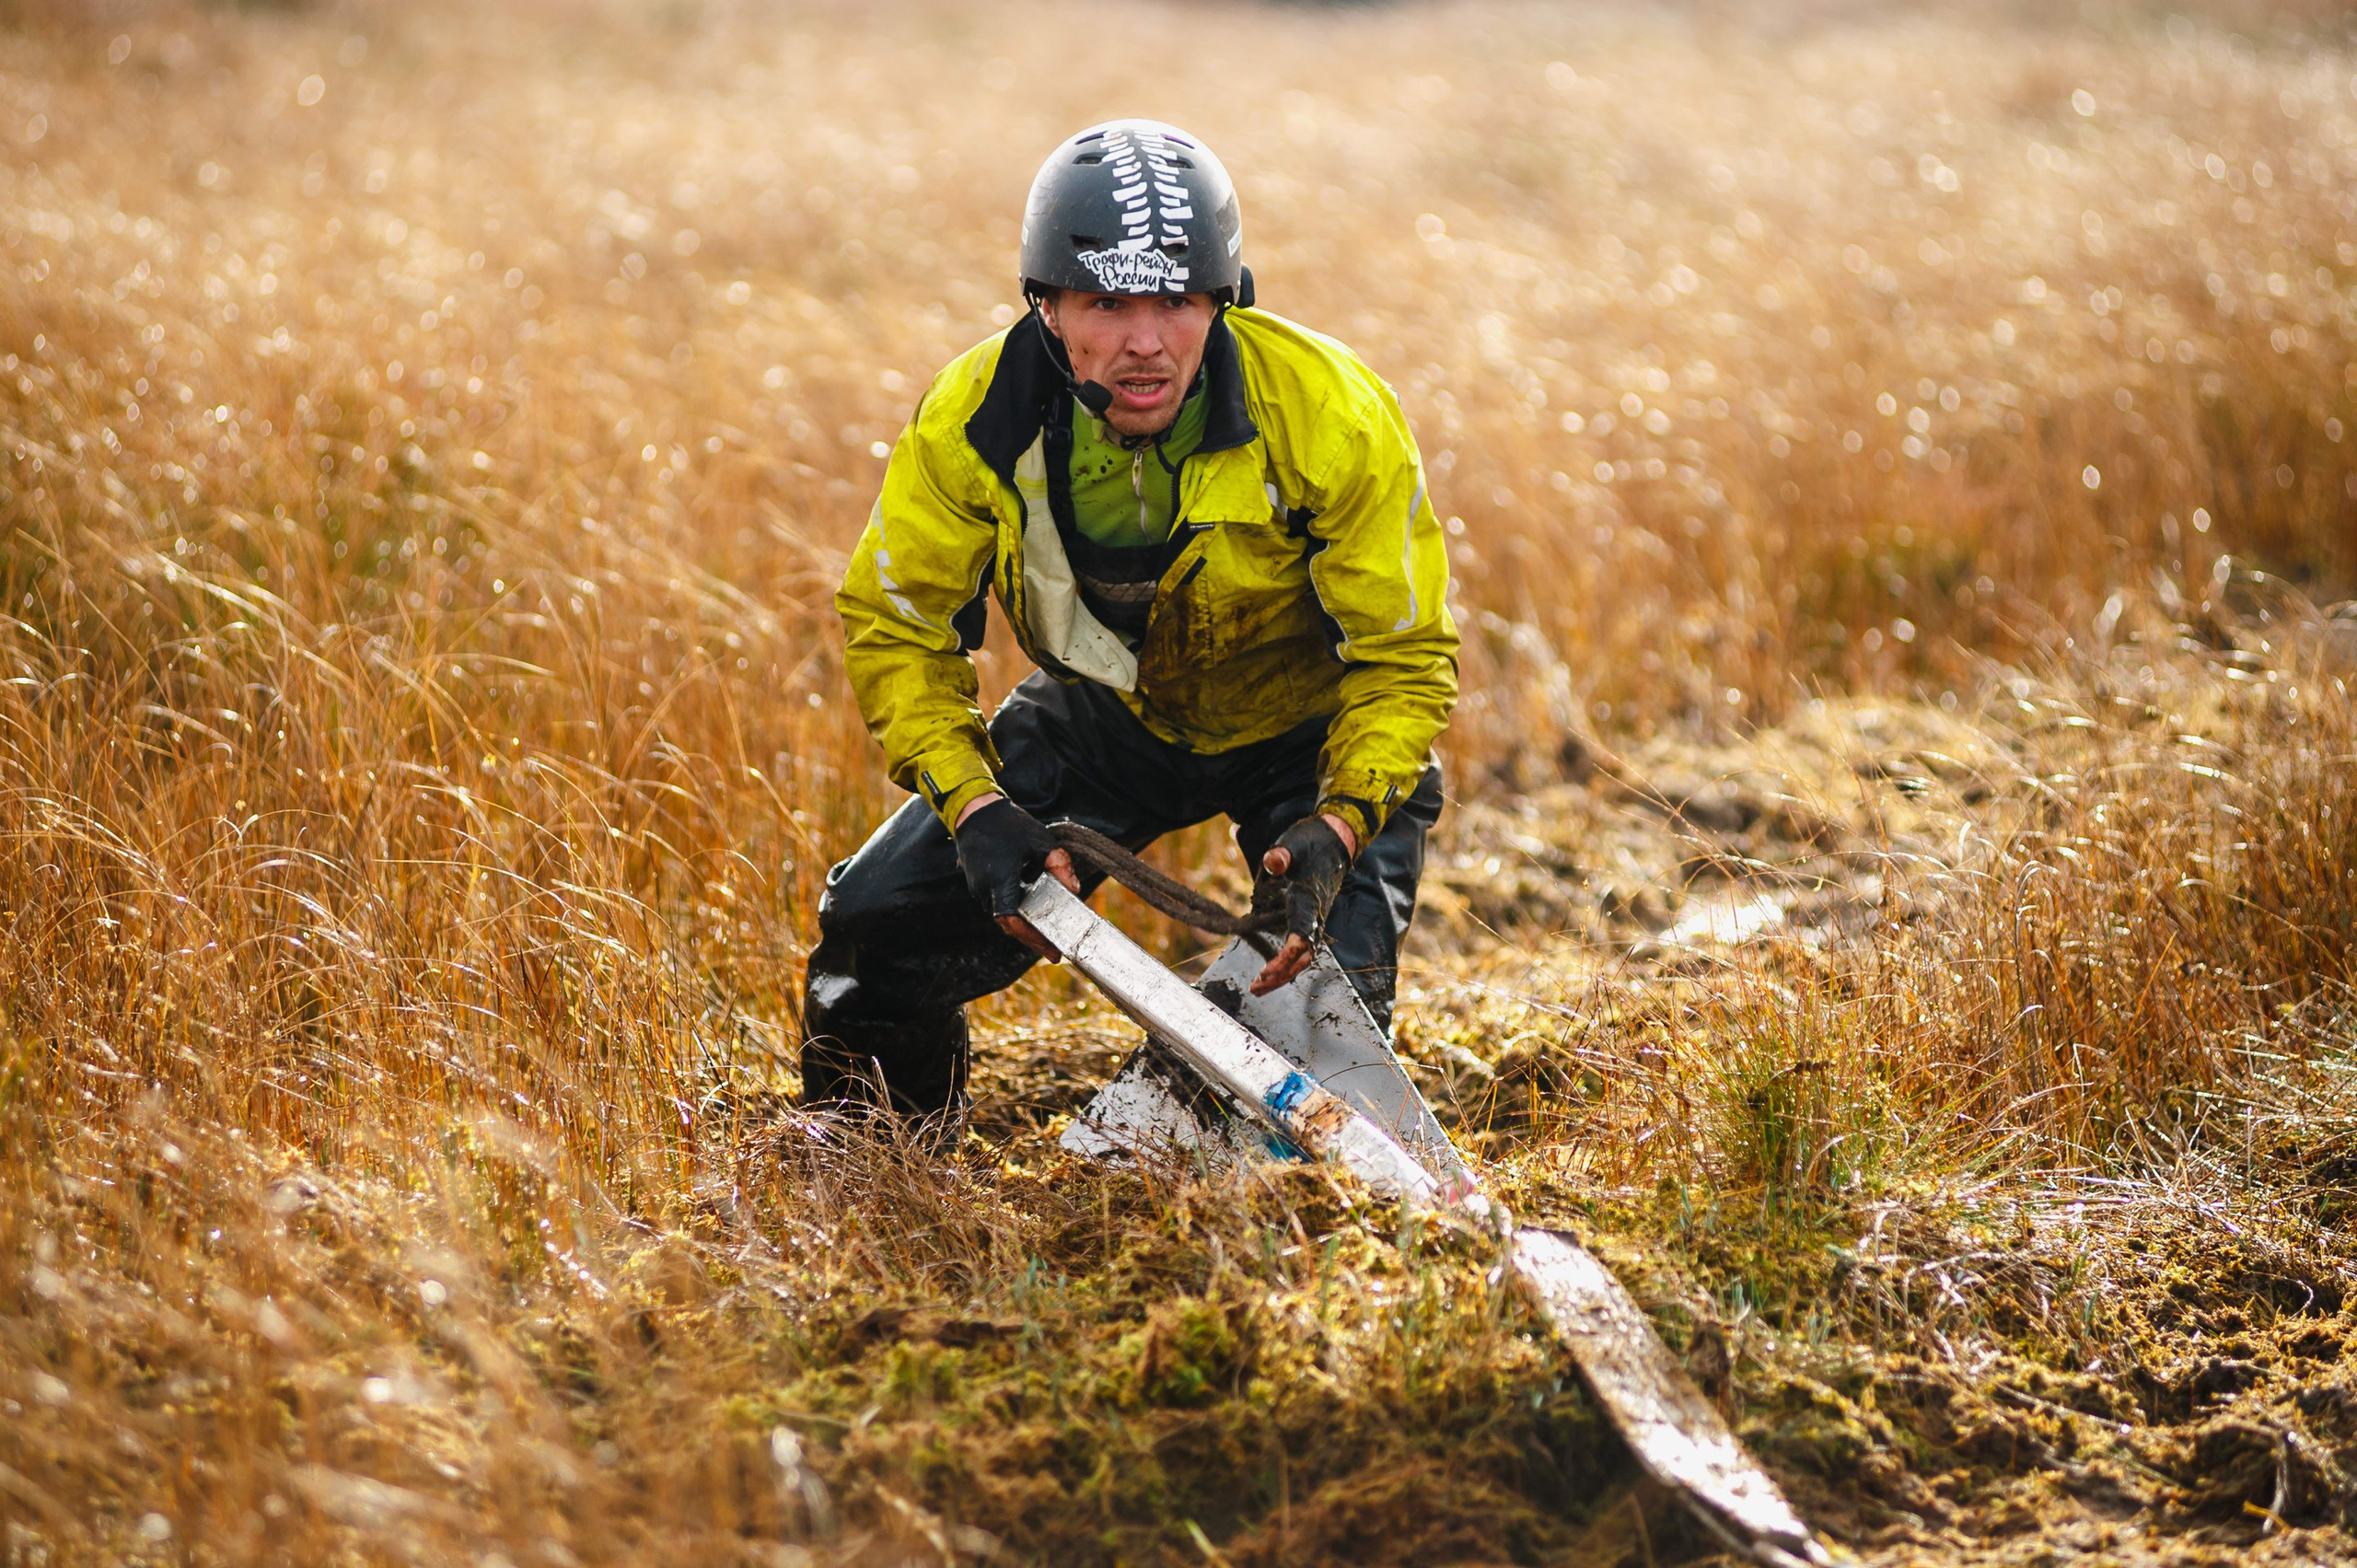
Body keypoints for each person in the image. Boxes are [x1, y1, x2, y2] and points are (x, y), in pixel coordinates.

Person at [800, 119, 1457, 1132]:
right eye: (1106, 302)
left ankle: (1250, 1234)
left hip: (1306, 732)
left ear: (1224, 301)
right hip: (1103, 718)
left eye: (1178, 299)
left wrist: (1341, 819)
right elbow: (896, 621)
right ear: (1049, 308)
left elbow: (1404, 653)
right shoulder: (974, 420)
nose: (1144, 341)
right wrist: (974, 806)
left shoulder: (1331, 411)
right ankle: (876, 1162)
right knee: (875, 926)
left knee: (1323, 1021)